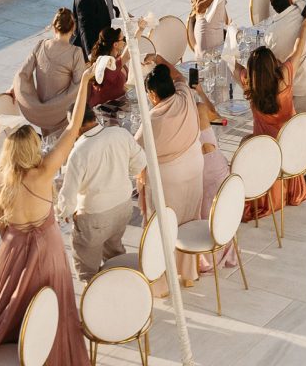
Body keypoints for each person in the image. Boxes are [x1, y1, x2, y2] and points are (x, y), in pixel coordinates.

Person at [0, 64, 95, 365]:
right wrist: (84, 81)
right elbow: (73, 128)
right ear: (33, 147)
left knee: (10, 307)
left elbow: (1, 226)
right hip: (49, 249)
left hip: (13, 251)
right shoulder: (44, 172)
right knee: (51, 304)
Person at [236, 14, 306, 221]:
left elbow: (230, 62)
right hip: (290, 148)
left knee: (243, 144)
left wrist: (231, 39)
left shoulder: (248, 83)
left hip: (265, 151)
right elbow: (298, 50)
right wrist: (304, 28)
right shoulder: (285, 76)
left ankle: (255, 189)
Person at [57, 103, 146, 282]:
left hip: (95, 217)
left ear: (76, 125)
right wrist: (122, 172)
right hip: (123, 208)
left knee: (87, 269)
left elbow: (69, 194)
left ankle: (95, 294)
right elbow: (140, 162)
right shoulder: (120, 133)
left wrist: (62, 213)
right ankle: (120, 284)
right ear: (95, 117)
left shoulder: (79, 152)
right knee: (115, 251)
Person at [135, 61, 204, 289]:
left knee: (161, 228)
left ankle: (162, 282)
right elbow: (179, 75)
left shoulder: (152, 120)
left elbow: (134, 153)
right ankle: (188, 274)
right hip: (194, 170)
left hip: (168, 180)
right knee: (189, 219)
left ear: (153, 95)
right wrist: (158, 58)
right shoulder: (185, 95)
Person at [13, 8, 85, 136]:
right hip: (63, 114)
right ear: (73, 28)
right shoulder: (76, 53)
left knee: (47, 143)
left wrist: (15, 88)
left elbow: (21, 75)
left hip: (43, 115)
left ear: (54, 27)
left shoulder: (40, 45)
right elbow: (79, 86)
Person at [194, 87, 237, 270]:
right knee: (219, 210)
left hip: (199, 170)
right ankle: (222, 245)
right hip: (218, 167)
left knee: (202, 213)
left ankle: (204, 257)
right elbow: (217, 117)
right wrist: (201, 92)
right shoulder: (199, 108)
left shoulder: (174, 118)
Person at [88, 26, 131, 107]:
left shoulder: (116, 57)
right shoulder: (107, 64)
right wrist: (140, 30)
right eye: (123, 39)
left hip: (116, 106)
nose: (125, 42)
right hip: (103, 109)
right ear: (115, 44)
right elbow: (128, 55)